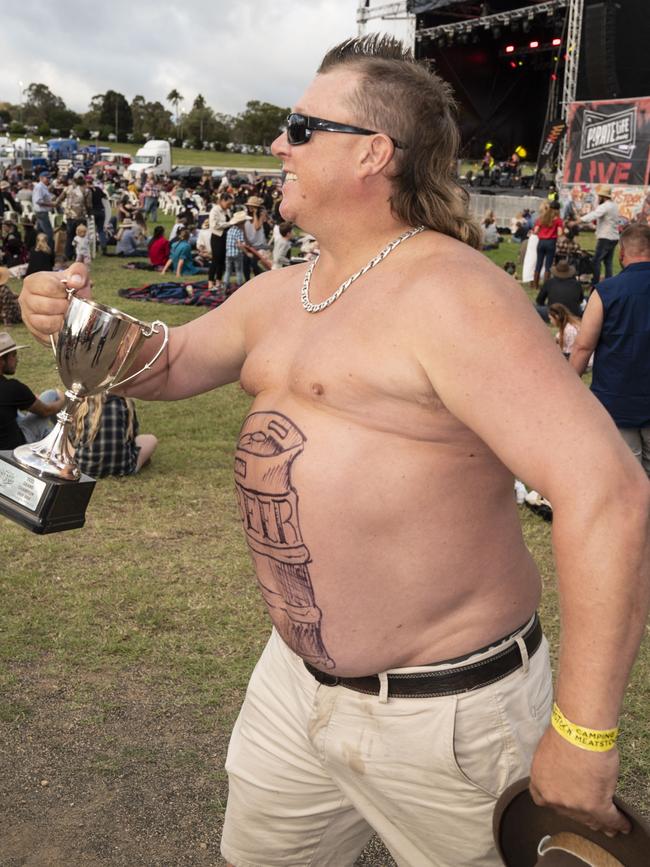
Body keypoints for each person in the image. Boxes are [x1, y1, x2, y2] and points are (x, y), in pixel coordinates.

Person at [19, 35, 650, 867]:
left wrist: (584, 732)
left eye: (299, 126)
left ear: (372, 153)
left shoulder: (454, 295)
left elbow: (608, 492)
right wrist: (69, 317)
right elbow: (163, 363)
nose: (278, 145)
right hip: (293, 687)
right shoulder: (284, 290)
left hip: (448, 722)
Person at [571, 223, 650, 476]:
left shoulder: (606, 291)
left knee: (627, 478)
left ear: (622, 253)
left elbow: (584, 346)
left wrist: (569, 389)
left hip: (616, 400)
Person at [0, 331, 64, 449]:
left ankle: (47, 434)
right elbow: (46, 411)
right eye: (13, 355)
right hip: (13, 448)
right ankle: (62, 440)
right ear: (1, 360)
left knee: (17, 412)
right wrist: (62, 399)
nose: (17, 360)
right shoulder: (12, 387)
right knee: (51, 395)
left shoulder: (11, 390)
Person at [73, 393, 158, 478]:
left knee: (66, 440)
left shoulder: (82, 403)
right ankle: (133, 460)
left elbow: (73, 438)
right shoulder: (125, 402)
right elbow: (133, 436)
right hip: (123, 468)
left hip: (84, 469)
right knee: (151, 439)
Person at [579, 184, 620, 286]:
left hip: (605, 237)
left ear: (602, 196)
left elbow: (594, 215)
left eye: (599, 196)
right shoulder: (614, 205)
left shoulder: (605, 206)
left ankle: (595, 282)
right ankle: (609, 282)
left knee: (596, 261)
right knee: (608, 262)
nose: (598, 198)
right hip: (614, 237)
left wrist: (579, 220)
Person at [532, 201, 563, 290]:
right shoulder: (558, 220)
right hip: (551, 242)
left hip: (541, 242)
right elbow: (560, 233)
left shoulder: (541, 218)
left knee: (539, 263)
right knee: (548, 265)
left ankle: (535, 284)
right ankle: (546, 286)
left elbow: (536, 230)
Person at [207, 192, 233, 289]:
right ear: (222, 201)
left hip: (225, 237)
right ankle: (210, 282)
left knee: (222, 260)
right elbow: (215, 225)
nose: (229, 206)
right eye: (228, 203)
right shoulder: (215, 210)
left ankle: (218, 280)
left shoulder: (227, 211)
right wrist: (229, 223)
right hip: (216, 237)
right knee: (215, 260)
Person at [222, 211, 250, 290]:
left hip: (228, 253)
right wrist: (247, 253)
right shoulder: (239, 231)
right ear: (241, 223)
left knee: (228, 270)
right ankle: (239, 285)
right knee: (239, 270)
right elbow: (239, 244)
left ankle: (225, 285)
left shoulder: (230, 230)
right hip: (237, 253)